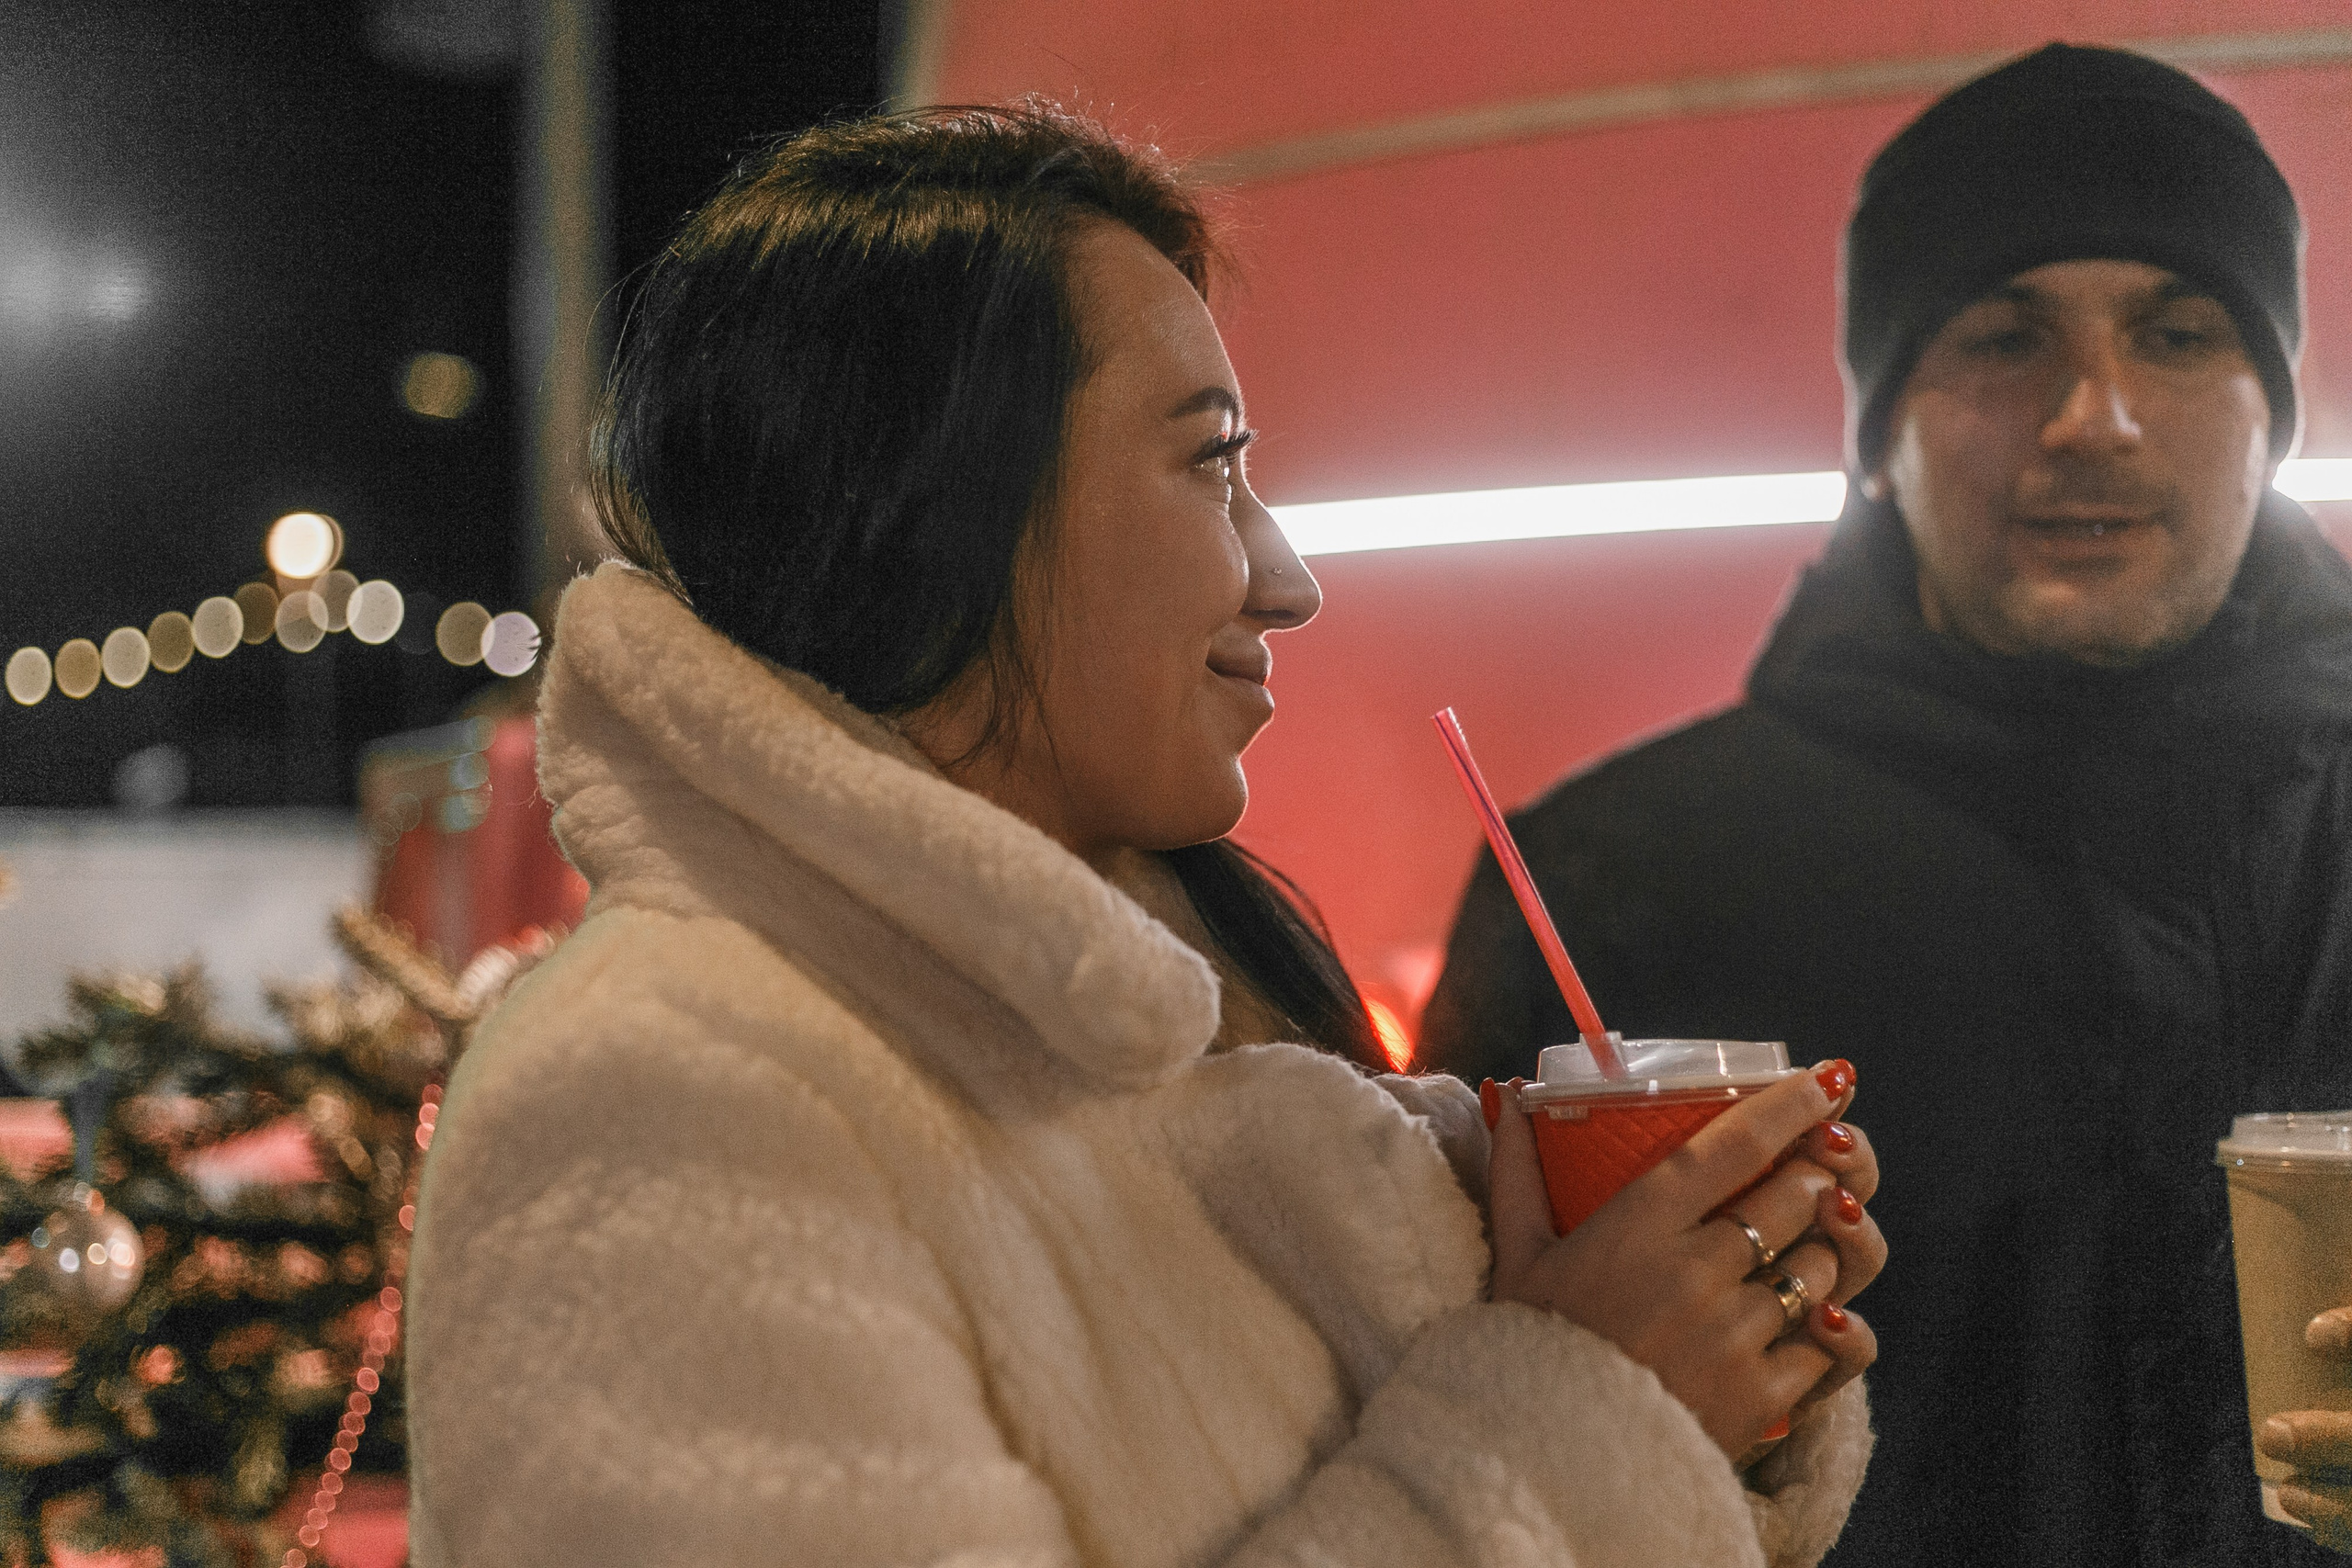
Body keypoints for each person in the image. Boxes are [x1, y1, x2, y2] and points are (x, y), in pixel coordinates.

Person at [403, 104, 1883, 1565]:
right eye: (1209, 464)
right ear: (936, 509)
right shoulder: (672, 1090)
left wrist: (1698, 1375)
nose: (1285, 577)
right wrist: (1581, 1433)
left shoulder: (1182, 1058)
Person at [1420, 42, 2351, 1568]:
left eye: (2180, 334)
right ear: (1881, 431)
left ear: (2274, 407)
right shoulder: (1615, 877)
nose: (2094, 416)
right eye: (2002, 338)